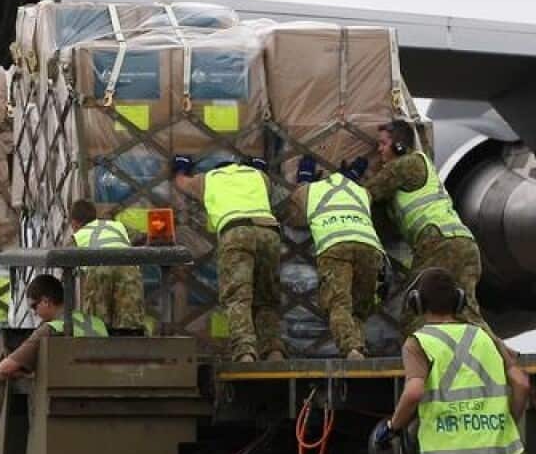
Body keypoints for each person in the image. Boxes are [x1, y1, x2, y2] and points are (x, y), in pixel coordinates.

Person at [376, 268, 527, 454]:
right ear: (459, 301)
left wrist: (391, 428)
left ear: (416, 303)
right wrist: (507, 421)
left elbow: (414, 392)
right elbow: (521, 382)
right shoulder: (484, 337)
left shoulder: (418, 342)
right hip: (487, 452)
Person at [362, 120, 487, 333]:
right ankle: (506, 361)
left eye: (383, 144)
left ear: (399, 146)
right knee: (468, 314)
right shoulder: (422, 165)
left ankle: (420, 363)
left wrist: (343, 183)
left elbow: (367, 193)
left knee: (416, 310)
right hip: (464, 243)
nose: (379, 150)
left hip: (438, 243)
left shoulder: (405, 164)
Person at [173, 156, 285, 363]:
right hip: (268, 232)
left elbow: (180, 183)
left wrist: (181, 166)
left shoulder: (209, 178)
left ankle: (245, 352)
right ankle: (274, 351)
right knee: (267, 298)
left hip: (236, 232)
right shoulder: (257, 176)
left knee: (237, 296)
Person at [280, 156, 384, 359]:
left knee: (338, 303)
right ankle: (360, 344)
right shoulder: (361, 191)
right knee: (362, 305)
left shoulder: (309, 191)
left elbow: (295, 219)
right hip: (369, 247)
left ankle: (351, 349)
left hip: (334, 246)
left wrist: (304, 181)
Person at [0, 274, 107, 382]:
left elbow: (7, 368)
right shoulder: (97, 323)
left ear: (46, 301)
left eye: (34, 306)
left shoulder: (51, 329)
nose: (35, 313)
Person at [67, 199, 146, 333]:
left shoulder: (78, 236)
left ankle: (99, 351)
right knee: (130, 324)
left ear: (74, 223)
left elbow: (63, 258)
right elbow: (141, 237)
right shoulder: (116, 226)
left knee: (97, 326)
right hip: (128, 268)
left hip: (99, 270)